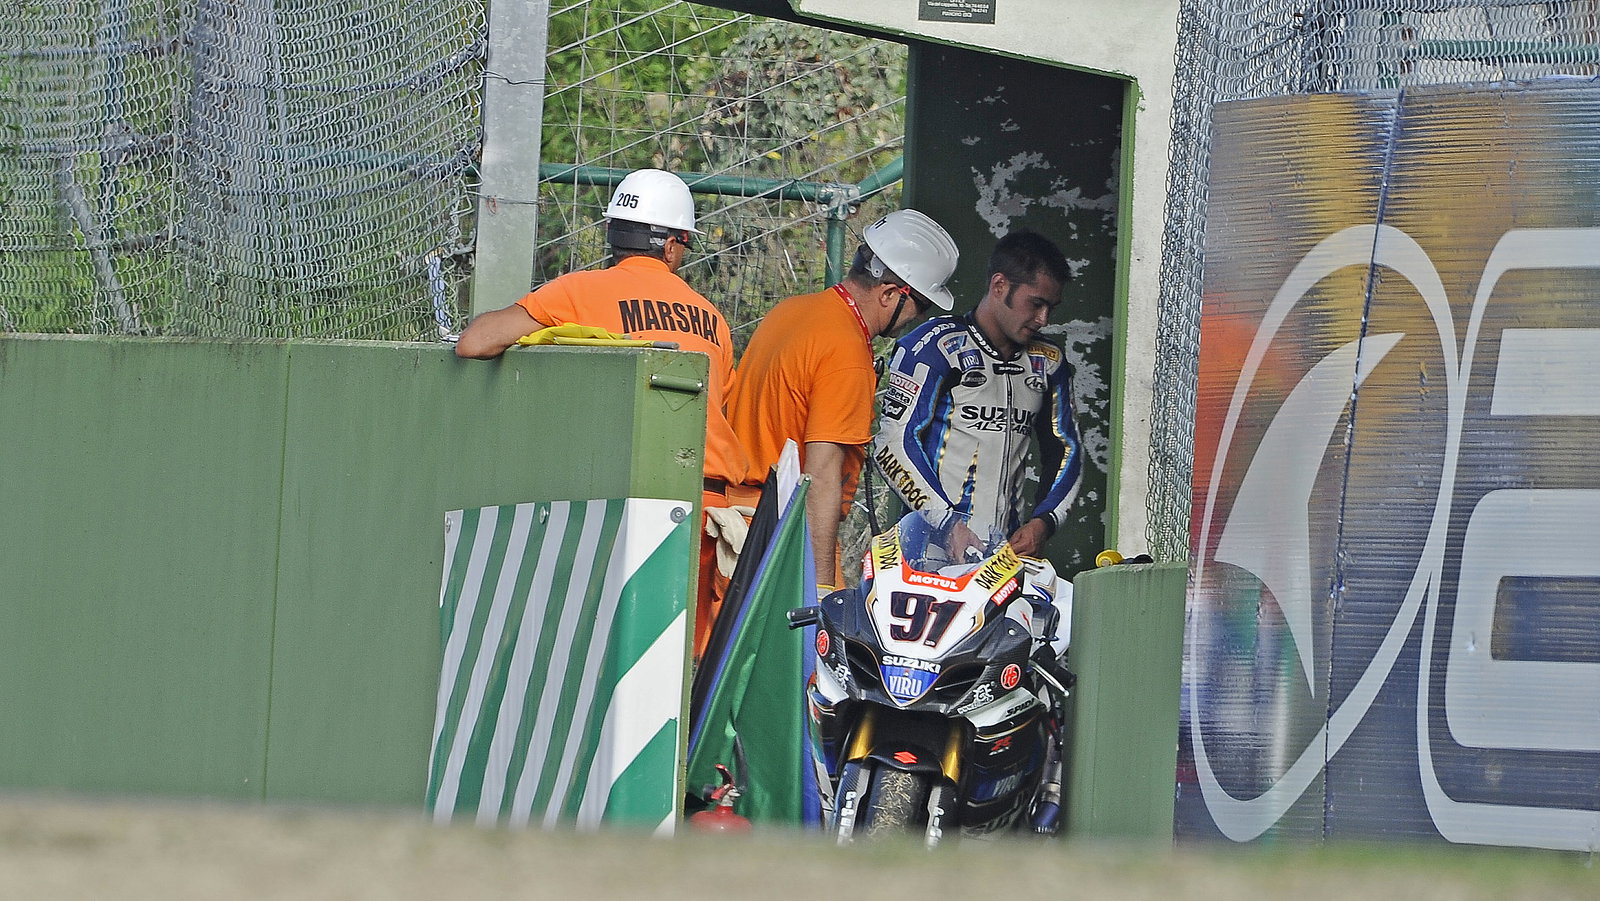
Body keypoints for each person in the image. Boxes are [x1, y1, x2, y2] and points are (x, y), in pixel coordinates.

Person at [455, 168, 748, 660]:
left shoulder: (578, 292)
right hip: (708, 511)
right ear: (674, 245)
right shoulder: (712, 319)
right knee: (689, 672)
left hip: (628, 498)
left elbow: (474, 343)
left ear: (613, 233)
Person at [725, 209, 959, 592]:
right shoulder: (847, 351)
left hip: (735, 526)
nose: (918, 319)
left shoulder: (791, 312)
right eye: (923, 306)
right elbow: (820, 476)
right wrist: (819, 588)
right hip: (782, 540)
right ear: (890, 294)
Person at [871, 228, 1082, 560]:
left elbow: (1068, 449)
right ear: (999, 286)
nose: (1043, 319)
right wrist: (947, 523)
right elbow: (891, 444)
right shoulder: (934, 345)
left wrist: (1045, 521)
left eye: (1050, 308)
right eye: (1036, 304)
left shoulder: (1049, 361)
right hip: (929, 552)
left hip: (1005, 559)